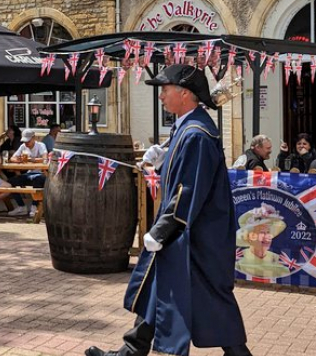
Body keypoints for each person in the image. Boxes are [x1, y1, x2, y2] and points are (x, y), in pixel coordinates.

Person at [85, 64, 251, 356]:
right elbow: (182, 169)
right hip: (189, 229)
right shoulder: (187, 126)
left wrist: (163, 229)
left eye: (165, 90)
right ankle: (131, 350)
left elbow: (188, 189)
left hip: (197, 232)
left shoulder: (196, 133)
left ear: (184, 93)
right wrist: (163, 155)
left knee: (210, 294)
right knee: (160, 283)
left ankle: (239, 354)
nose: (161, 96)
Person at [235, 203, 290, 279]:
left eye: (268, 232)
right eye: (262, 232)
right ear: (250, 238)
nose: (268, 237)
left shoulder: (282, 269)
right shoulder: (238, 266)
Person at [5, 129, 48, 217]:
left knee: (37, 179)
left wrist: (31, 160)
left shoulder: (41, 145)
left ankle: (34, 206)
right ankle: (21, 206)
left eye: (28, 141)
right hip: (28, 173)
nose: (26, 143)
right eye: (24, 141)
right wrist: (19, 160)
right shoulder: (23, 146)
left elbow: (45, 159)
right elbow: (12, 158)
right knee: (10, 182)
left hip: (40, 173)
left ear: (34, 138)